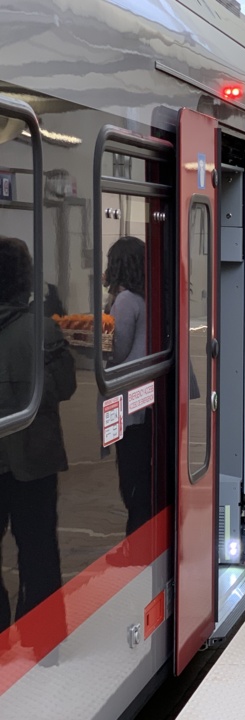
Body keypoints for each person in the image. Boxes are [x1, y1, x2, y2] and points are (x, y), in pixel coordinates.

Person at [0, 236, 75, 652]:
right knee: (39, 550)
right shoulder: (41, 328)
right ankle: (44, 640)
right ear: (23, 279)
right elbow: (64, 387)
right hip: (36, 458)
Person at [104, 236, 152, 537]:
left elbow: (116, 350)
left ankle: (136, 543)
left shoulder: (125, 301)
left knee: (132, 477)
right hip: (148, 399)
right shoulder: (150, 295)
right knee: (145, 475)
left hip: (132, 404)